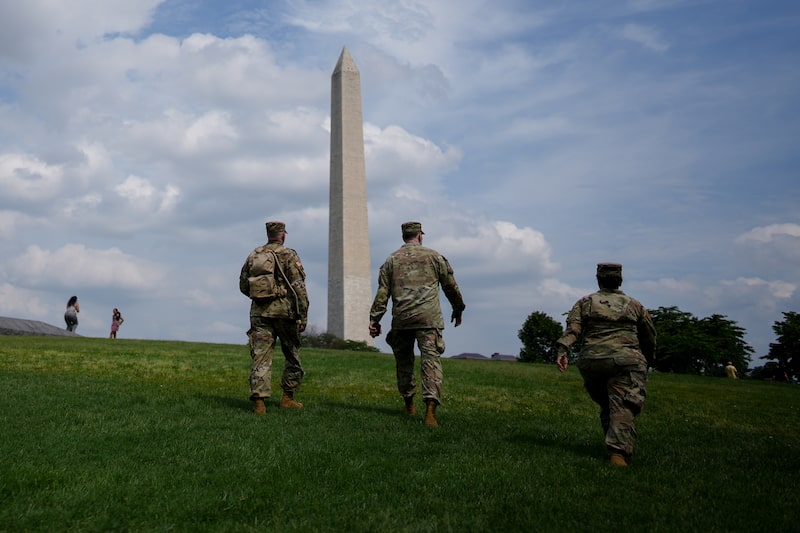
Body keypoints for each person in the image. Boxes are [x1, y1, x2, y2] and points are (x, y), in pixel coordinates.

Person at [555, 263, 656, 467]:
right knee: (623, 405)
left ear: (598, 279)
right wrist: (649, 361)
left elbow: (573, 331)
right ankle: (618, 453)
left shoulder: (585, 302)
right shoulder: (635, 305)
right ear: (620, 280)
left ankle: (613, 442)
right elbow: (649, 337)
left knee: (609, 404)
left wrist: (563, 351)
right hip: (625, 361)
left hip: (592, 361)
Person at [369, 221, 466, 427]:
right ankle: (430, 412)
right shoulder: (434, 257)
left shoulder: (391, 260)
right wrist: (458, 309)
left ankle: (409, 404)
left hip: (402, 319)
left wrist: (374, 319)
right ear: (420, 236)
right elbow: (451, 287)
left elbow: (382, 293)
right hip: (428, 319)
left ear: (404, 237)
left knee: (404, 364)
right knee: (430, 363)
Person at [240, 221, 309, 414]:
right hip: (285, 314)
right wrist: (302, 315)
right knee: (292, 355)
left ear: (268, 234)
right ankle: (288, 398)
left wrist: (262, 298)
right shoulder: (289, 254)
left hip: (259, 314)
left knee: (260, 357)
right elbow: (299, 288)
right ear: (283, 236)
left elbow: (244, 285)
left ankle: (259, 404)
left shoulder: (255, 255)